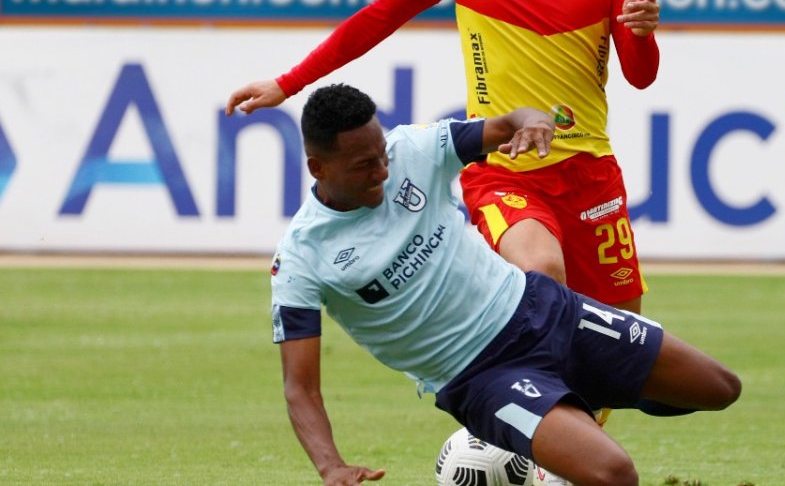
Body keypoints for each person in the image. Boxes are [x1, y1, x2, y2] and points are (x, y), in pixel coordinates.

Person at [228, 0, 660, 315]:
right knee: (542, 270)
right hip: (504, 169)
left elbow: (640, 74)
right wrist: (289, 82)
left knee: (622, 332)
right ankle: (520, 389)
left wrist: (643, 34)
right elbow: (378, 18)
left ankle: (578, 395)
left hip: (589, 169)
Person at [271, 83, 739, 486]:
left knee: (719, 388)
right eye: (363, 166)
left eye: (380, 154)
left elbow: (505, 123)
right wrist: (331, 466)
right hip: (482, 376)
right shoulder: (302, 257)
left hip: (546, 310)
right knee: (613, 473)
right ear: (318, 169)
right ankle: (554, 419)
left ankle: (577, 397)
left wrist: (530, 120)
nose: (382, 171)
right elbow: (301, 387)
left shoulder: (411, 149)